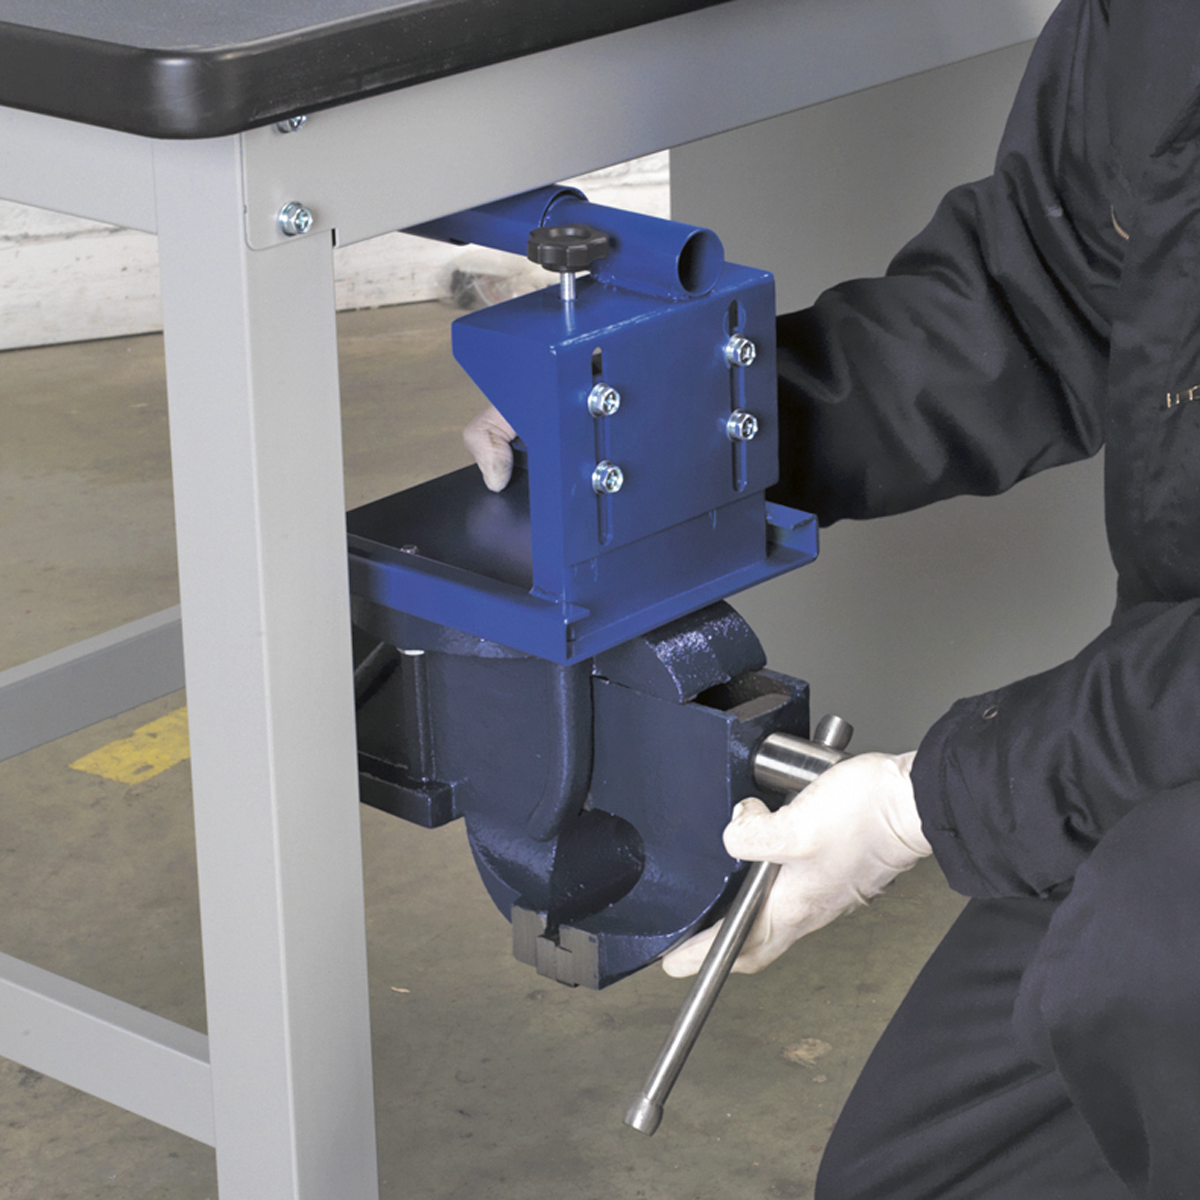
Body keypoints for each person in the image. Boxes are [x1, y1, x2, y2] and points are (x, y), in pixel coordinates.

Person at [465, 1, 1200, 1195]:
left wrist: (926, 802)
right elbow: (1043, 296)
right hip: (1162, 717)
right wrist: (682, 437)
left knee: (1148, 947)